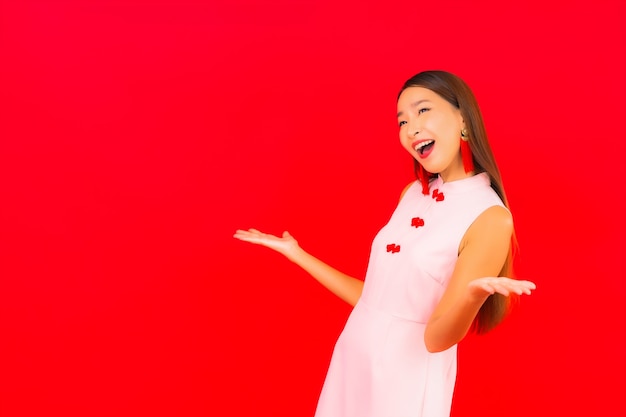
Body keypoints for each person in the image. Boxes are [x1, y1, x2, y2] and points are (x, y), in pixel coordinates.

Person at [233, 70, 536, 417]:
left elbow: (436, 340)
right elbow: (375, 300)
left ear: (463, 118)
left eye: (423, 111)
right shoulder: (412, 194)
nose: (411, 128)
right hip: (353, 358)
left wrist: (473, 294)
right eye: (402, 120)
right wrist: (297, 254)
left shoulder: (490, 217)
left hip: (404, 378)